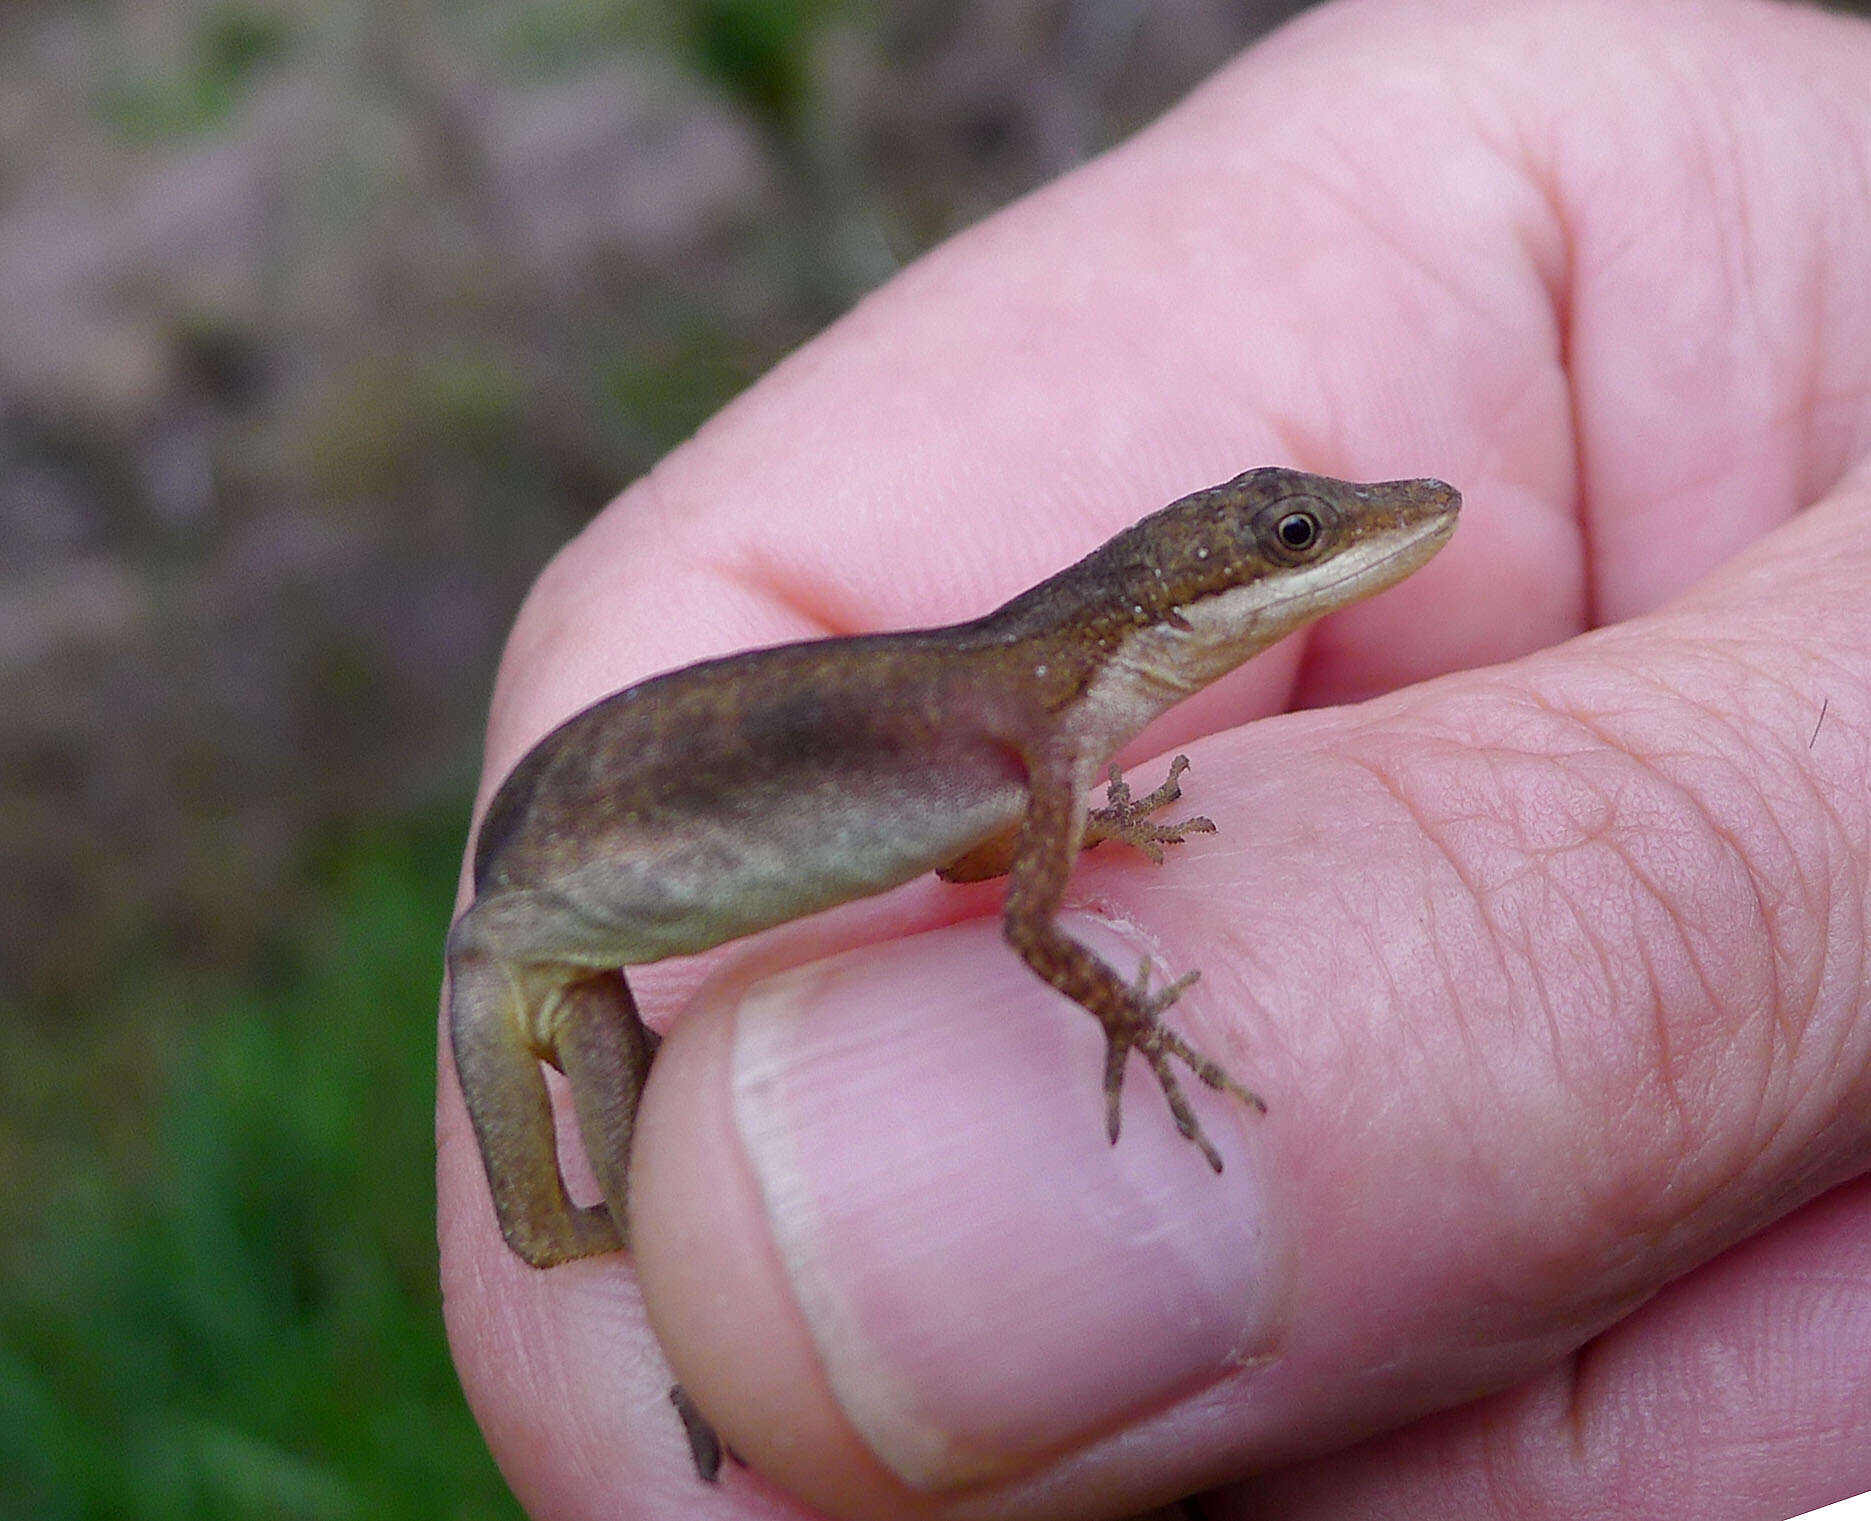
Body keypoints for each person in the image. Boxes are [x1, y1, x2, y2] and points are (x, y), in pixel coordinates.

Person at [437, 0, 1871, 1515]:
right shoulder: (1035, 719)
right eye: (1296, 542)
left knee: (664, 1204)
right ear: (1183, 602)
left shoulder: (1032, 727)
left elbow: (971, 849)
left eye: (1295, 529)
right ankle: (701, 1341)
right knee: (556, 1235)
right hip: (522, 935)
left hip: (586, 918)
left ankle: (705, 1342)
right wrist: (1143, 1021)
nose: (1358, 536)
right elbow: (1026, 918)